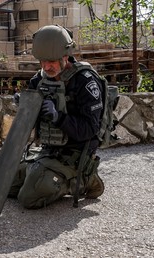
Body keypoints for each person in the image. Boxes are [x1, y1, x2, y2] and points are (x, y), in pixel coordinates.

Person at [8, 24, 105, 209]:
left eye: (51, 62)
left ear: (65, 56)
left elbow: (91, 129)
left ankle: (85, 179)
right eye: (42, 61)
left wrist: (58, 117)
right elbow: (33, 117)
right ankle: (41, 173)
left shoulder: (85, 82)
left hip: (75, 154)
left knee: (28, 199)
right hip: (49, 150)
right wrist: (26, 105)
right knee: (6, 186)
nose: (46, 66)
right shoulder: (41, 78)